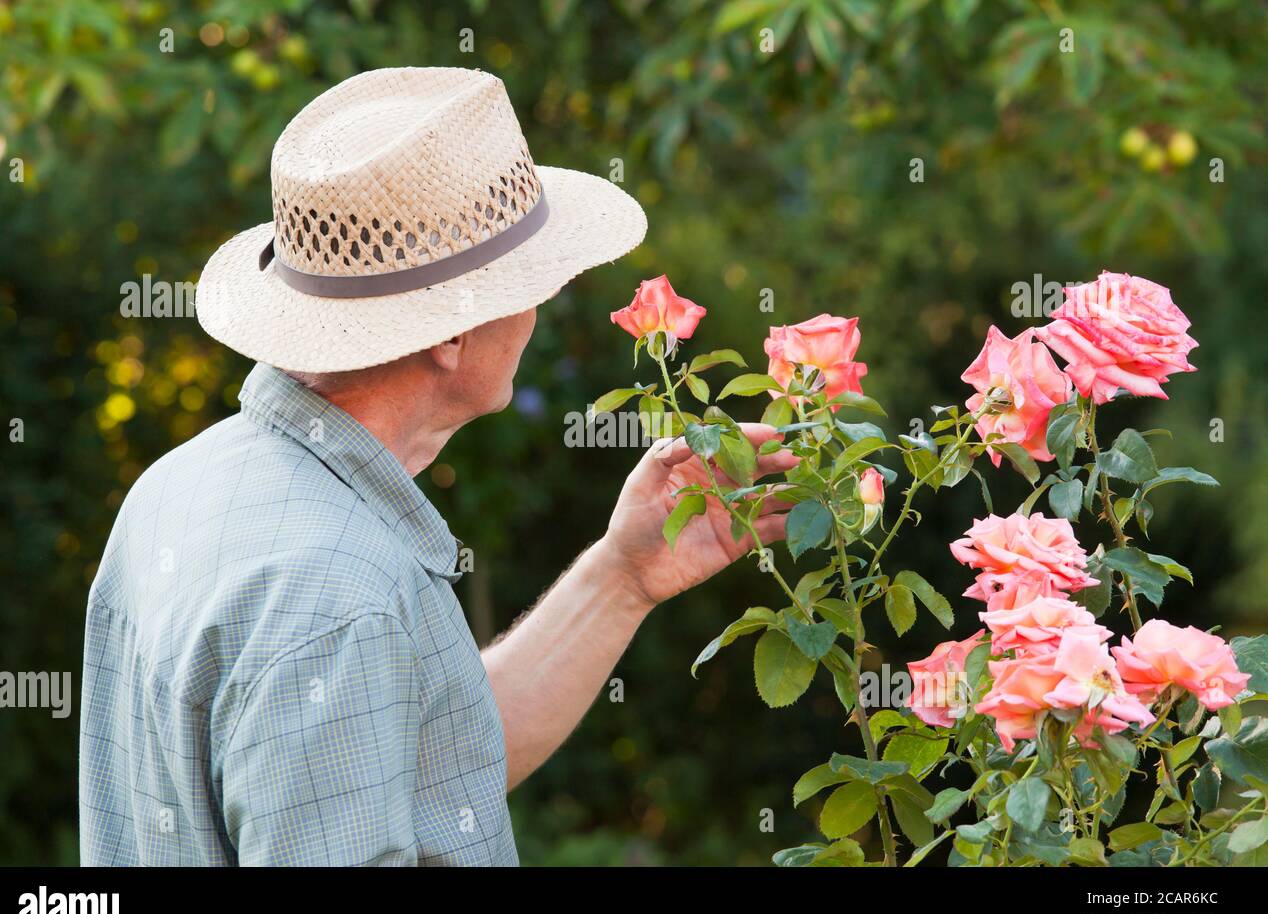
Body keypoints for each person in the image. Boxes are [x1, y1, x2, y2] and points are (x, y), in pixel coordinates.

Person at [80, 67, 792, 866]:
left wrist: (621, 577)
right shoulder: (338, 598)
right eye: (529, 281)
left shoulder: (179, 488)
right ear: (449, 335)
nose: (540, 305)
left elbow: (426, 771)